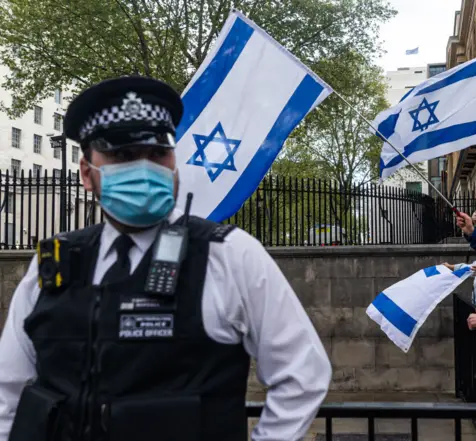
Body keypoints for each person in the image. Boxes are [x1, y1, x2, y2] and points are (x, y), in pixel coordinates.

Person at [0, 77, 332, 441]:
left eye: (158, 154)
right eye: (123, 155)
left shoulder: (229, 254)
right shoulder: (54, 261)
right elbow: (7, 388)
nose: (145, 169)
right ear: (86, 173)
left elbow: (302, 374)